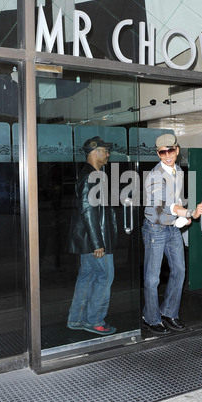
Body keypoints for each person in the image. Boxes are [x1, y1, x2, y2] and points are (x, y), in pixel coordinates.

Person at [142, 134, 202, 335]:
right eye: (162, 152)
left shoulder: (177, 170)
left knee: (179, 270)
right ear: (158, 153)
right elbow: (167, 205)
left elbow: (175, 200)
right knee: (152, 278)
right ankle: (151, 317)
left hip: (171, 227)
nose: (167, 155)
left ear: (177, 150)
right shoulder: (154, 176)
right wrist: (188, 213)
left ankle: (169, 313)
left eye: (170, 150)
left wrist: (183, 218)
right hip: (155, 229)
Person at [67, 136, 117, 335]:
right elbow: (89, 211)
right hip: (95, 241)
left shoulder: (92, 175)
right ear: (95, 152)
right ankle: (95, 320)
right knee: (105, 277)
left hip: (86, 241)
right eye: (105, 151)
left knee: (86, 277)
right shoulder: (91, 177)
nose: (108, 154)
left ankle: (76, 318)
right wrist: (98, 243)